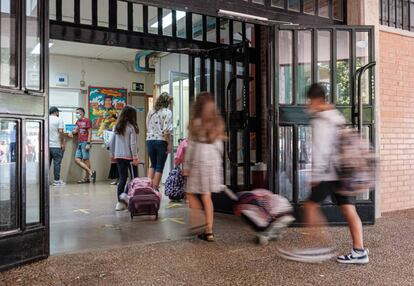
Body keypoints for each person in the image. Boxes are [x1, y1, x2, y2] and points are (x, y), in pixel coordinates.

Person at [285, 83, 369, 264]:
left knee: (309, 206)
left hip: (330, 174)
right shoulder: (335, 115)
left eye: (309, 101)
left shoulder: (321, 120)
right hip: (344, 172)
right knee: (349, 209)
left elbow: (321, 150)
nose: (308, 105)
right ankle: (359, 250)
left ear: (316, 100)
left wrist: (315, 176)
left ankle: (316, 247)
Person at [183, 92, 226, 242]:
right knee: (207, 196)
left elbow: (191, 147)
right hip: (213, 162)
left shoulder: (196, 122)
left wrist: (186, 166)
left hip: (199, 161)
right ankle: (209, 231)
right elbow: (220, 146)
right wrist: (218, 163)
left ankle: (198, 222)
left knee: (189, 192)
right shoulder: (217, 123)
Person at [109, 105, 140, 211]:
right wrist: (135, 157)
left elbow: (111, 142)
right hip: (129, 157)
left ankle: (120, 202)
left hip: (118, 156)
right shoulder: (131, 127)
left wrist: (112, 154)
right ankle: (125, 197)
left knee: (122, 178)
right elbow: (133, 144)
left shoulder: (116, 127)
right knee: (134, 178)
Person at [146, 92, 173, 190]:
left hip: (150, 140)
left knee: (152, 164)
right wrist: (169, 144)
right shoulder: (168, 112)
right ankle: (155, 189)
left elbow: (147, 125)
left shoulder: (151, 111)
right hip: (161, 141)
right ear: (167, 102)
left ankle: (148, 188)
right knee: (159, 166)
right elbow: (166, 130)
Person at [70, 107, 96, 184]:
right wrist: (71, 132)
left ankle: (86, 178)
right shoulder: (78, 121)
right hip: (80, 142)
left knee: (85, 160)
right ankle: (91, 172)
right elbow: (76, 130)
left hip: (85, 142)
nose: (76, 114)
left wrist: (88, 143)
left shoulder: (87, 120)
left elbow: (90, 132)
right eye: (76, 113)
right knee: (77, 159)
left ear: (82, 113)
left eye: (78, 112)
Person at [49, 106, 66, 186]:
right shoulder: (59, 120)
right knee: (57, 163)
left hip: (47, 146)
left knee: (46, 164)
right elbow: (61, 132)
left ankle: (44, 180)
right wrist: (62, 143)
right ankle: (56, 181)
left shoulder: (46, 119)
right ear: (56, 112)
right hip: (56, 145)